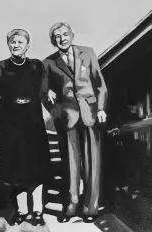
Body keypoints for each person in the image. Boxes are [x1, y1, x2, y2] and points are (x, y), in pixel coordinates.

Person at [43, 22, 108, 223]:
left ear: (72, 35)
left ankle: (90, 208)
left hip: (90, 114)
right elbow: (43, 93)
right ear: (54, 41)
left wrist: (102, 108)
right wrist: (55, 108)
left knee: (92, 164)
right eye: (57, 36)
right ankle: (71, 206)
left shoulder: (88, 53)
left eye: (65, 34)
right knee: (70, 165)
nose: (62, 38)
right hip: (68, 119)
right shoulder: (48, 63)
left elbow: (100, 85)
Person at [0, 28, 51, 226]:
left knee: (36, 167)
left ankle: (38, 210)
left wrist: (50, 96)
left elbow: (44, 90)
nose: (15, 45)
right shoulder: (1, 66)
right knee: (17, 169)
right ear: (8, 45)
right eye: (12, 42)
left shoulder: (36, 66)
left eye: (20, 42)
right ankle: (23, 210)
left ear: (27, 45)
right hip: (11, 127)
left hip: (33, 124)